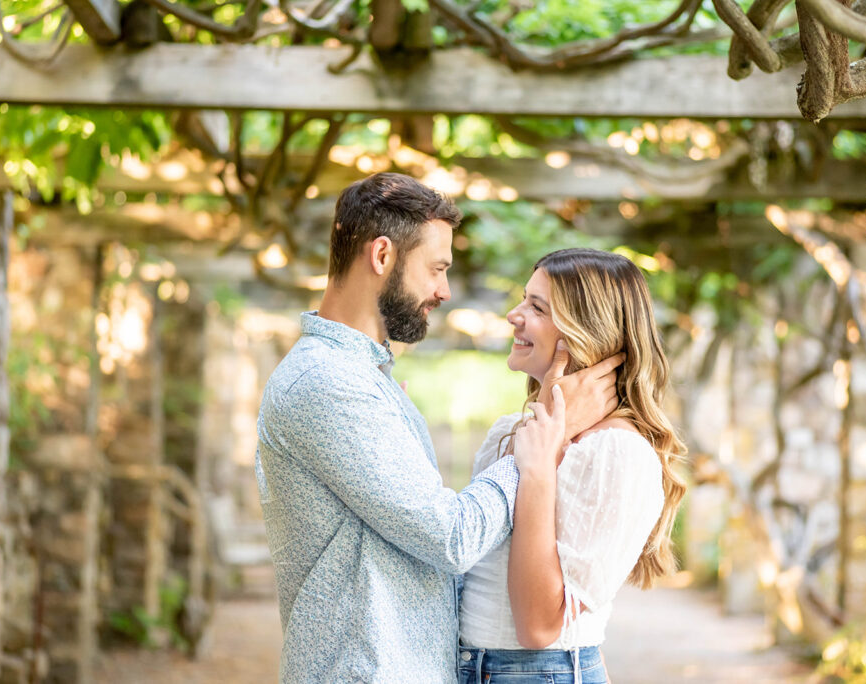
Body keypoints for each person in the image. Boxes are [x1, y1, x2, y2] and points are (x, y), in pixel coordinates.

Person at [254, 173, 622, 683]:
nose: (444, 291)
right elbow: (452, 537)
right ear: (382, 256)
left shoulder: (363, 378)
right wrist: (543, 444)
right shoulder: (327, 382)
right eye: (437, 268)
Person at [458, 248, 688, 684]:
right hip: (472, 667)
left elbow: (539, 626)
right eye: (523, 299)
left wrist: (543, 463)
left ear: (587, 332)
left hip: (536, 673)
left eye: (536, 307)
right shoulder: (509, 432)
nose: (513, 314)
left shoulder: (617, 454)